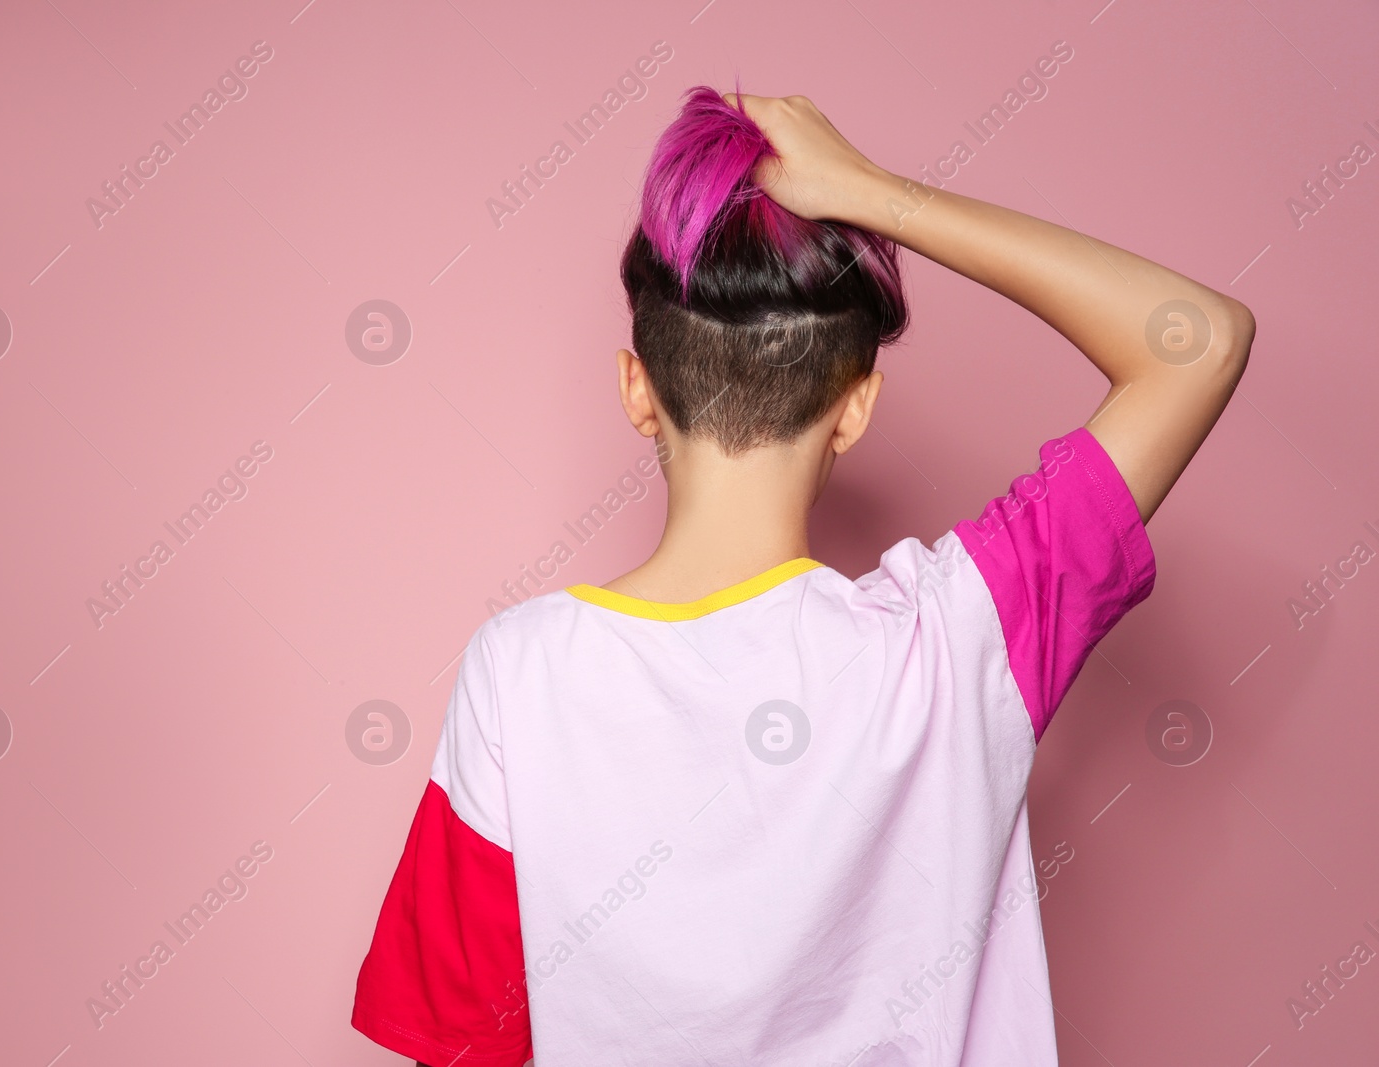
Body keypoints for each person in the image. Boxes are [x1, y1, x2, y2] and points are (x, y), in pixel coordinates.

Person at [351, 86, 1253, 1066]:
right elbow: (1197, 339)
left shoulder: (516, 673)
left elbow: (457, 1042)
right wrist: (872, 192)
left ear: (635, 389)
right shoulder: (960, 638)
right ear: (857, 405)